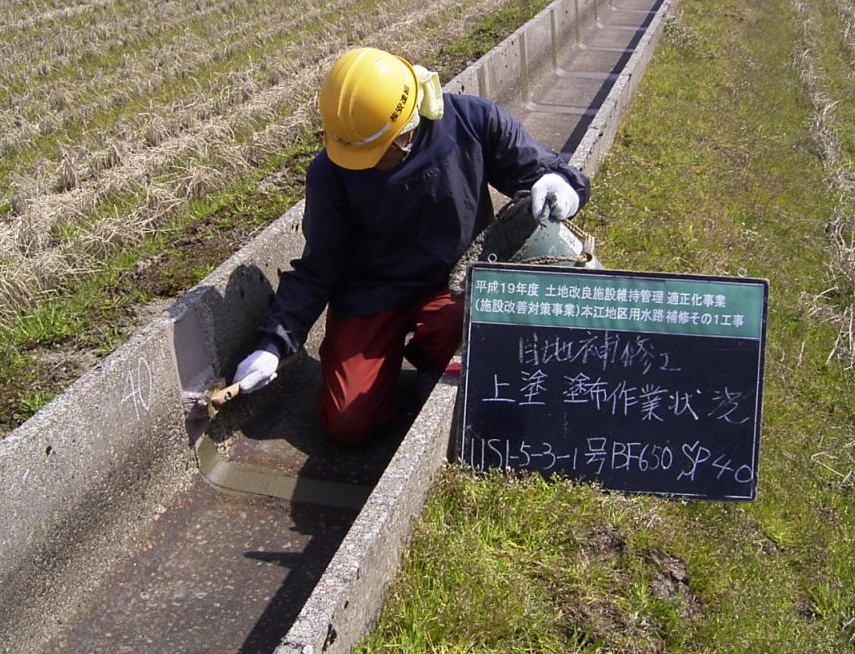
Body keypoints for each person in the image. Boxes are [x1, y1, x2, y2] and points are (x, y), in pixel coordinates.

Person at [232, 46, 590, 444]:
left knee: (467, 332)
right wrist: (273, 344)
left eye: (376, 151)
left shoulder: (471, 122)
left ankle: (430, 355)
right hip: (370, 294)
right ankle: (390, 366)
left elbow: (541, 170)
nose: (364, 163)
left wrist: (565, 185)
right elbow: (318, 269)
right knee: (349, 424)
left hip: (451, 283)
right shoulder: (332, 173)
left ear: (407, 125)